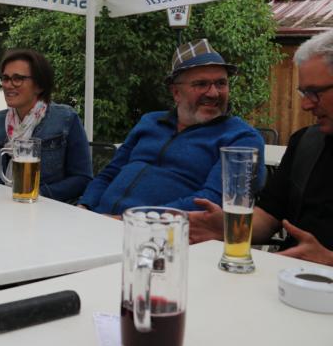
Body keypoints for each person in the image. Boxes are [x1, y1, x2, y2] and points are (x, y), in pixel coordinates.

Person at [190, 30, 333, 266]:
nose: (306, 105)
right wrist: (228, 227)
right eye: (304, 93)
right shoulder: (306, 143)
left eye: (315, 93)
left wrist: (328, 260)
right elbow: (268, 217)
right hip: (286, 277)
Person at [78, 39, 265, 215]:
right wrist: (84, 206)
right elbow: (109, 173)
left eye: (221, 83)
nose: (214, 93)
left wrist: (134, 220)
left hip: (166, 232)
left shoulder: (241, 138)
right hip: (100, 221)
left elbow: (212, 200)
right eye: (201, 84)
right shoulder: (150, 122)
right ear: (176, 93)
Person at [0, 49, 93, 202]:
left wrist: (39, 193)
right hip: (2, 208)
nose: (8, 85)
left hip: (50, 211)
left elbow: (82, 178)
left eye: (17, 79)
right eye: (5, 78)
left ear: (39, 86)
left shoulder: (66, 119)